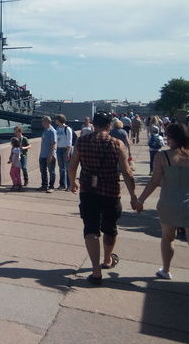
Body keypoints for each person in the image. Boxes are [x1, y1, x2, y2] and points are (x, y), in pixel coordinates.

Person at [69, 110, 141, 285]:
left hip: (88, 192)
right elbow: (127, 172)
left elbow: (72, 166)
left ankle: (96, 271)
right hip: (111, 192)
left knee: (91, 229)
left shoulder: (81, 141)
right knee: (110, 228)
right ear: (109, 125)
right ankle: (107, 260)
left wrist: (72, 183)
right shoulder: (117, 144)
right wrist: (134, 196)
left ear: (94, 124)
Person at [136, 123, 189, 280]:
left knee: (168, 237)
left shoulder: (162, 156)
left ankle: (166, 270)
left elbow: (154, 181)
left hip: (168, 202)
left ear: (170, 137)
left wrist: (140, 200)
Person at [38, 116, 57, 192]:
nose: (42, 123)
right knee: (43, 171)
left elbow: (53, 144)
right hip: (43, 154)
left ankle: (51, 186)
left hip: (49, 155)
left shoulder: (52, 131)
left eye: (43, 121)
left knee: (51, 171)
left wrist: (50, 155)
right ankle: (44, 185)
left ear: (47, 122)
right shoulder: (45, 130)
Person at [55, 114, 73, 190]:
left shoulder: (67, 129)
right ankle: (62, 184)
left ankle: (69, 185)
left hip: (65, 149)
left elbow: (69, 142)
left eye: (56, 119)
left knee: (68, 168)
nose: (55, 120)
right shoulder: (58, 128)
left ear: (59, 120)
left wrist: (68, 152)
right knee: (61, 168)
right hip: (59, 149)